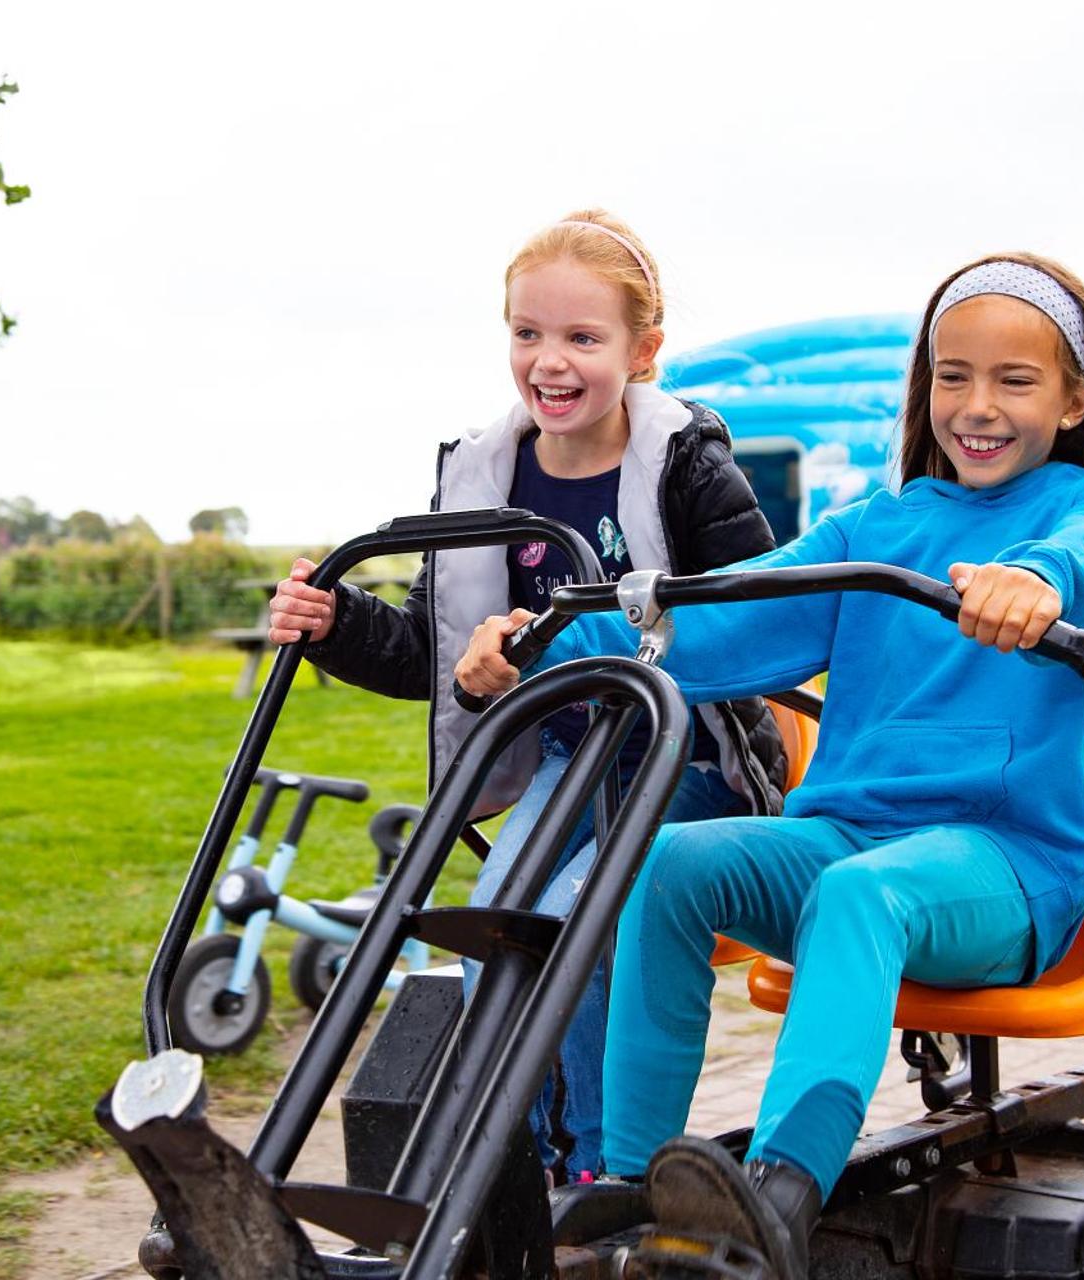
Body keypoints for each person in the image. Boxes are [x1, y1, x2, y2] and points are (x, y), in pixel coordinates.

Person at [455, 252, 1084, 1277]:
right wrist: (540, 644)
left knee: (857, 893)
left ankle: (781, 1197)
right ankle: (624, 1191)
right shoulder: (876, 529)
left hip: (1004, 866)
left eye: (1014, 382)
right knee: (662, 864)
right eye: (953, 376)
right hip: (845, 839)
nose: (977, 405)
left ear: (1071, 400)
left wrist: (1037, 581)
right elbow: (709, 615)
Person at [267, 209, 786, 1182]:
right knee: (495, 920)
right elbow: (434, 644)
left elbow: (765, 623)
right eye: (527, 333)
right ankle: (538, 1165)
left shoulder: (686, 467)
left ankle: (602, 1171)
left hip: (686, 757)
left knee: (574, 925)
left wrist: (590, 634)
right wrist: (336, 620)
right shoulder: (483, 475)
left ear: (644, 351)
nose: (550, 361)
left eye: (583, 338)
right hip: (567, 760)